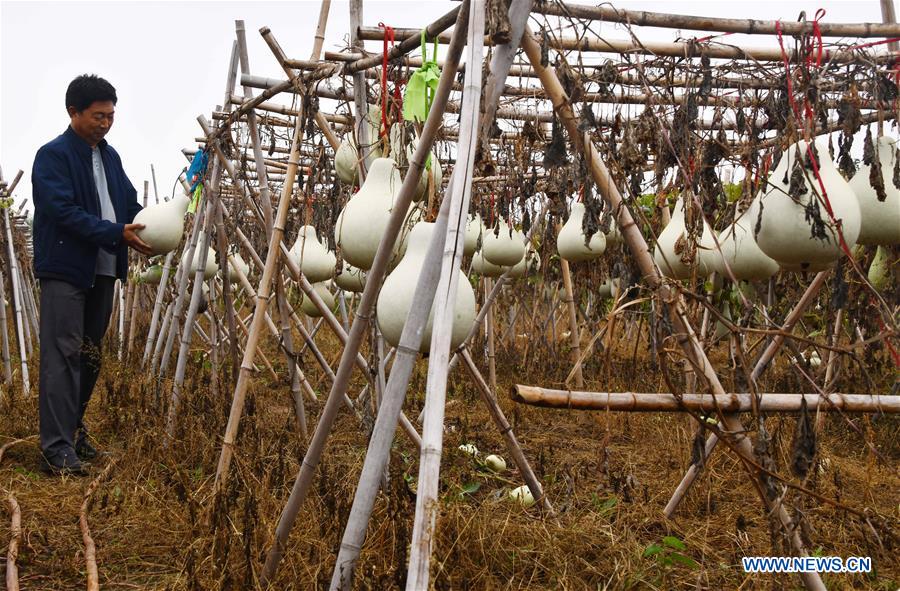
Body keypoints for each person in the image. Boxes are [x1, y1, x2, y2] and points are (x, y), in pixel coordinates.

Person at [32, 74, 152, 476]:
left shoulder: (110, 157)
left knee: (89, 355)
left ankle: (72, 431)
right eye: (98, 116)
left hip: (103, 269)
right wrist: (114, 233)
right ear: (74, 112)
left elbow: (129, 205)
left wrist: (156, 225)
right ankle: (56, 448)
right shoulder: (53, 156)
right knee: (63, 355)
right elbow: (62, 212)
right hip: (66, 269)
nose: (105, 123)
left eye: (111, 116)